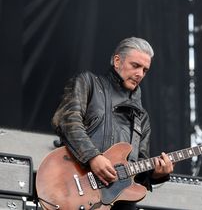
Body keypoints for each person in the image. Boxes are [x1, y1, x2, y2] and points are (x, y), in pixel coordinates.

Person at [51, 37, 174, 209]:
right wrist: (92, 157)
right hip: (74, 192)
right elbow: (67, 121)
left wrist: (156, 174)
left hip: (118, 204)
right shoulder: (88, 83)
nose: (140, 74)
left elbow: (137, 171)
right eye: (135, 65)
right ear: (117, 60)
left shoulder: (142, 117)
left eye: (145, 70)